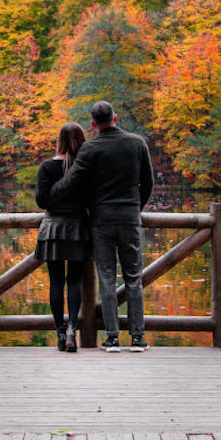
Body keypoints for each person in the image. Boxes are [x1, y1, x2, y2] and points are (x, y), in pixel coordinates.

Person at [51, 101, 154, 353]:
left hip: (100, 219)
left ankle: (112, 338)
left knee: (107, 278)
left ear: (93, 124)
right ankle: (138, 338)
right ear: (115, 118)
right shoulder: (137, 143)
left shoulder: (90, 148)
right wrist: (135, 208)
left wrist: (49, 193)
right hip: (130, 217)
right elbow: (148, 182)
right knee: (133, 277)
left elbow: (72, 182)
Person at [34, 122, 92, 352]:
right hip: (77, 228)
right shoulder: (85, 168)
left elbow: (41, 201)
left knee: (56, 281)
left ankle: (60, 330)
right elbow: (91, 200)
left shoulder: (47, 167)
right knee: (75, 281)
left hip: (53, 228)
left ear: (58, 141)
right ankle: (72, 330)